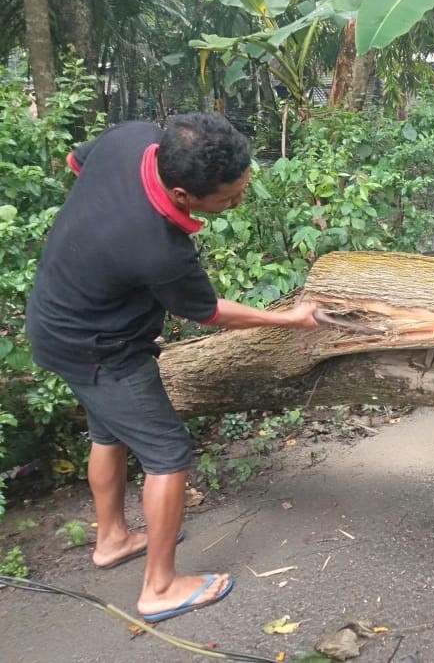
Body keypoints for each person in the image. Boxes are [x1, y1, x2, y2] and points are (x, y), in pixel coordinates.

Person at [25, 113, 320, 622]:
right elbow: (210, 312)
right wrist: (289, 318)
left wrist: (102, 259)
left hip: (56, 322)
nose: (237, 202)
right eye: (228, 198)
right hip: (99, 348)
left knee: (108, 431)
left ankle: (112, 539)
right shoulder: (158, 248)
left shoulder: (133, 139)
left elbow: (78, 163)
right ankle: (159, 587)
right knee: (168, 452)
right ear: (183, 195)